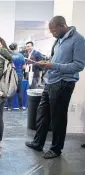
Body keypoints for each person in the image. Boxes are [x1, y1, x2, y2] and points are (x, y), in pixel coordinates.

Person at [25, 16, 85, 159]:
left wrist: (53, 65)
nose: (52, 34)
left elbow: (79, 65)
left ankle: (56, 149)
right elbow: (55, 60)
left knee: (58, 117)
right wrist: (45, 63)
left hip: (64, 83)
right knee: (42, 114)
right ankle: (38, 142)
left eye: (53, 31)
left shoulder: (78, 40)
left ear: (62, 26)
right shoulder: (58, 40)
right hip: (51, 81)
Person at [8, 43, 26, 110]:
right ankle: (21, 106)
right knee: (19, 91)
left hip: (10, 75)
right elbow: (24, 67)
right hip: (19, 75)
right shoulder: (21, 55)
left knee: (10, 91)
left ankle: (9, 107)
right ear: (16, 47)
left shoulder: (9, 55)